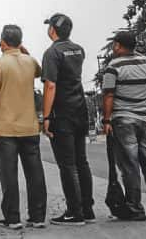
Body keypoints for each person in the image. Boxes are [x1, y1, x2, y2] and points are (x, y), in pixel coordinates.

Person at [102, 30, 146, 220]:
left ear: (117, 45)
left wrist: (106, 120)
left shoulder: (113, 66)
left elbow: (108, 95)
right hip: (145, 119)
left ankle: (135, 209)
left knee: (130, 166)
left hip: (123, 120)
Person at [0, 25, 47, 229]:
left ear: (3, 42)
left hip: (6, 128)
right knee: (35, 172)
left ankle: (13, 218)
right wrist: (24, 51)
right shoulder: (31, 63)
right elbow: (40, 72)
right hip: (30, 127)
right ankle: (37, 217)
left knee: (9, 174)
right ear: (20, 42)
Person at [41, 13, 94, 226]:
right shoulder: (79, 49)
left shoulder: (52, 53)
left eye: (49, 26)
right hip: (80, 111)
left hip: (62, 114)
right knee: (82, 162)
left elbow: (50, 85)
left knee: (68, 165)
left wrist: (45, 116)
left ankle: (74, 212)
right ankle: (87, 210)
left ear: (53, 29)